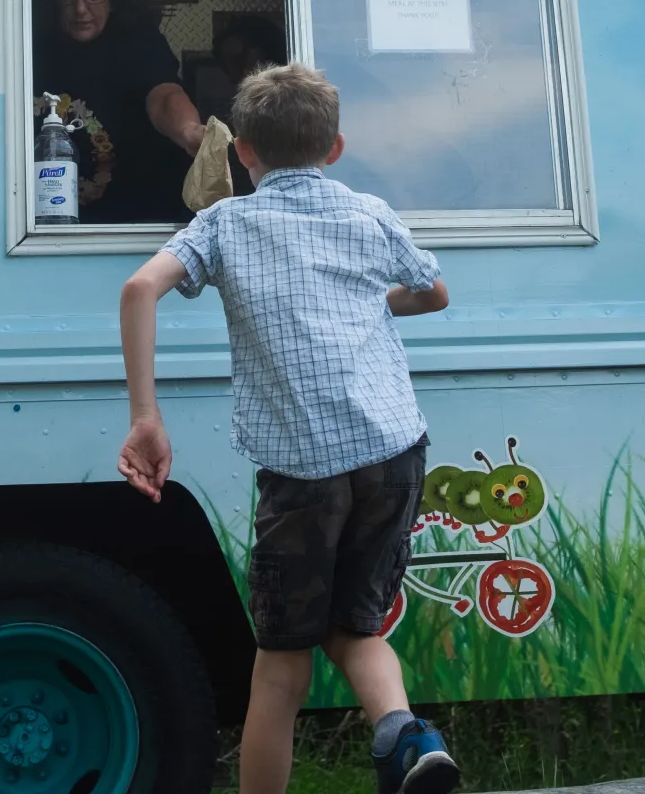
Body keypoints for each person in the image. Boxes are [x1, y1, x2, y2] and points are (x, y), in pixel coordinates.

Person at [114, 64, 460, 794]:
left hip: (304, 469)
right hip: (392, 452)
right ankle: (404, 733)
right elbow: (432, 293)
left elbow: (138, 287)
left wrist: (146, 417)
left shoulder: (223, 223)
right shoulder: (368, 212)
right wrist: (364, 309)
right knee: (356, 629)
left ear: (239, 150)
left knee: (280, 663)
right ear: (334, 148)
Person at [34, 0, 205, 223]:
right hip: (47, 228)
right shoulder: (31, 47)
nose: (80, 9)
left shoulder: (137, 41)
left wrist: (190, 132)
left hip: (137, 223)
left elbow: (164, 96)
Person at [209, 14, 287, 197]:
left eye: (239, 59)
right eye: (225, 64)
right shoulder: (230, 111)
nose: (234, 74)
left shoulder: (296, 107)